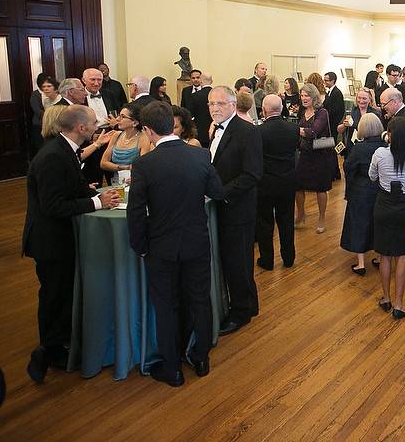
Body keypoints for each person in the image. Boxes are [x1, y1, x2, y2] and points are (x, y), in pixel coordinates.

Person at [126, 101, 224, 387]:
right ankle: (201, 358)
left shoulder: (144, 164)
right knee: (199, 300)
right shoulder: (201, 155)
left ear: (147, 130)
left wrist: (140, 246)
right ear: (172, 124)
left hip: (162, 246)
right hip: (196, 241)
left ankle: (172, 368)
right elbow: (216, 191)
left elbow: (136, 212)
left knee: (166, 306)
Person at [23, 105, 121, 383]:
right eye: (92, 124)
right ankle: (50, 351)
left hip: (58, 238)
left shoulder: (64, 149)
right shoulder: (54, 156)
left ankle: (60, 341)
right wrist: (95, 202)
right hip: (50, 241)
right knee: (54, 295)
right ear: (80, 128)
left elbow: (69, 185)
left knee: (62, 292)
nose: (97, 128)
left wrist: (88, 190)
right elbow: (53, 205)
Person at [208, 85, 263, 335]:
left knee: (237, 262)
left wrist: (220, 193)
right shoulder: (216, 130)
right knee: (235, 259)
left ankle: (241, 311)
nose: (214, 108)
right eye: (211, 104)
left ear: (233, 105)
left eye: (219, 104)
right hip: (222, 207)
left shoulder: (247, 132)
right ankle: (249, 305)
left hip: (237, 208)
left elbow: (252, 174)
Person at [370, 117, 405, 318]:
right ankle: (399, 304)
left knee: (385, 254)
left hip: (384, 204)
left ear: (390, 135)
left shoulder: (380, 153)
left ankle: (385, 298)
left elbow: (372, 176)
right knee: (401, 255)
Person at [256, 95, 300, 270]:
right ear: (281, 109)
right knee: (286, 220)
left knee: (265, 222)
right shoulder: (293, 128)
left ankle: (267, 260)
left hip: (265, 183)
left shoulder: (258, 131)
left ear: (264, 110)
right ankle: (288, 257)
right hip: (287, 182)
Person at [340, 113, 387, 275]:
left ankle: (361, 264)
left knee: (359, 223)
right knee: (378, 223)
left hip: (361, 190)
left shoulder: (359, 148)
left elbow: (348, 167)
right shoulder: (385, 146)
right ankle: (381, 258)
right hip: (381, 189)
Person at [295, 83, 334, 234]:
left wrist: (295, 130)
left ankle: (322, 218)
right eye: (302, 95)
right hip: (305, 153)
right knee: (297, 186)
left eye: (307, 96)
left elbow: (313, 132)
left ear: (314, 97)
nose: (304, 98)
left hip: (321, 154)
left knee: (320, 187)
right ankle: (301, 214)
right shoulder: (302, 111)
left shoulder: (322, 112)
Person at [100, 102, 151, 183]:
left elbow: (143, 166)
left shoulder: (144, 138)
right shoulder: (116, 135)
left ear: (135, 122)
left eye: (122, 117)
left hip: (134, 180)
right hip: (116, 181)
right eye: (119, 116)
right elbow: (103, 163)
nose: (117, 119)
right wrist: (124, 167)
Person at [338, 87, 382, 155]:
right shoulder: (351, 111)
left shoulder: (375, 114)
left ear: (370, 100)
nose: (361, 101)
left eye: (364, 98)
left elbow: (378, 133)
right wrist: (344, 125)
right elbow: (339, 130)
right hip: (351, 148)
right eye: (359, 98)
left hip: (368, 149)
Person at [30, 74, 60, 154]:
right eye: (44, 86)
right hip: (40, 124)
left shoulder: (59, 97)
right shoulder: (36, 95)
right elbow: (37, 110)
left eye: (49, 86)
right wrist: (49, 118)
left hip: (55, 126)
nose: (46, 89)